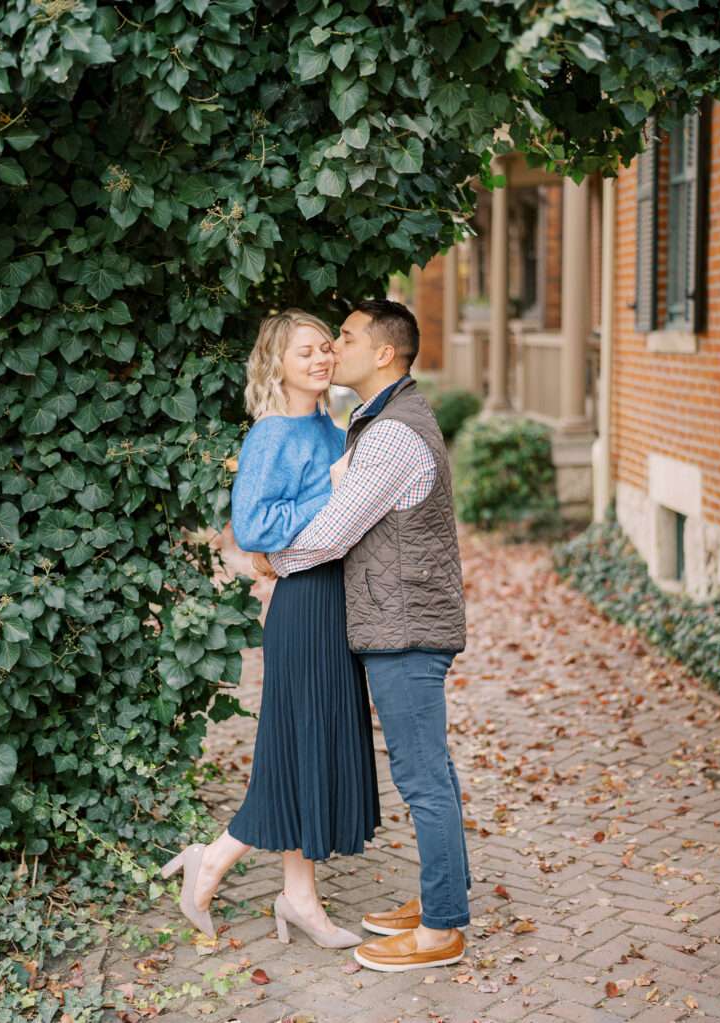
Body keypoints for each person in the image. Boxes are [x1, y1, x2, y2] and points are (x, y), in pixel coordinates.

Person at [262, 300, 472, 973]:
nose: (335, 348)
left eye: (346, 338)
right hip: (404, 620)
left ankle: (442, 927)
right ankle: (444, 895)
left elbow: (331, 532)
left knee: (422, 776)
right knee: (431, 769)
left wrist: (270, 558)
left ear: (384, 353)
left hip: (405, 627)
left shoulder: (388, 435)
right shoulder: (385, 417)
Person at [160, 309, 380, 949]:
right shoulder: (271, 436)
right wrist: (334, 490)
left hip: (331, 597)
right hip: (304, 605)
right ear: (276, 363)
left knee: (305, 746)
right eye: (305, 351)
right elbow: (254, 529)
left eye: (324, 349)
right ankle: (214, 861)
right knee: (294, 747)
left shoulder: (324, 423)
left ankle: (299, 898)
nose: (320, 359)